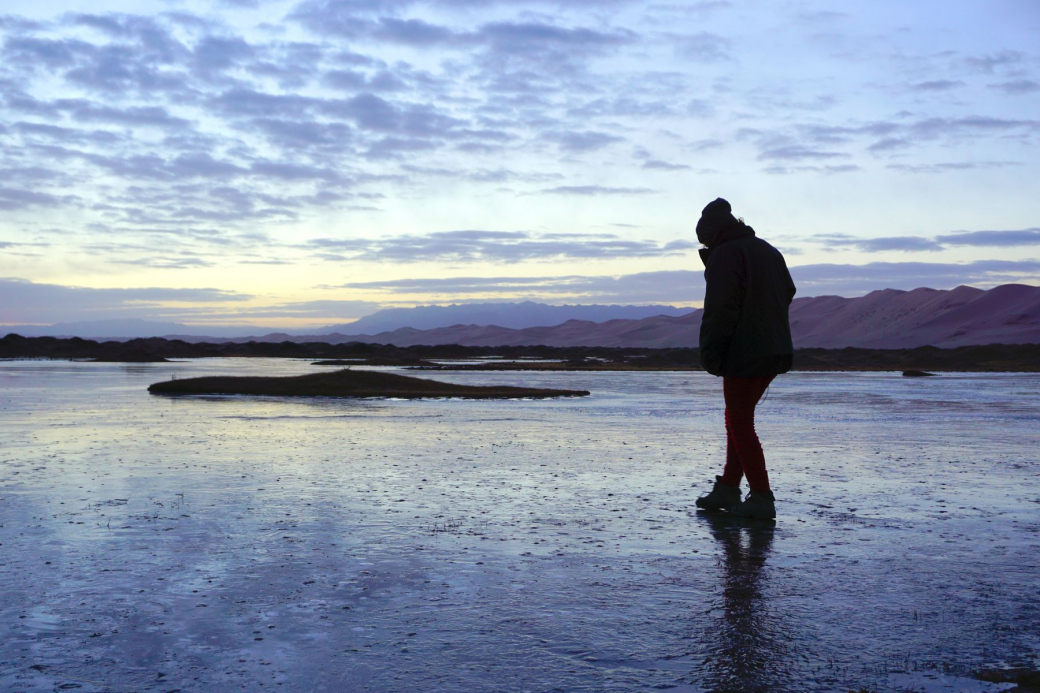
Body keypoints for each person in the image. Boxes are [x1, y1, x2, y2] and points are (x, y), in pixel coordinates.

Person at [693, 198, 796, 520]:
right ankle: (727, 486)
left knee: (739, 422)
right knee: (737, 419)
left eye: (705, 239)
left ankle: (762, 496)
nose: (705, 244)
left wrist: (711, 352)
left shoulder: (726, 254)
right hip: (774, 347)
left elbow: (721, 308)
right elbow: (789, 291)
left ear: (714, 232)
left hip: (745, 350)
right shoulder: (767, 250)